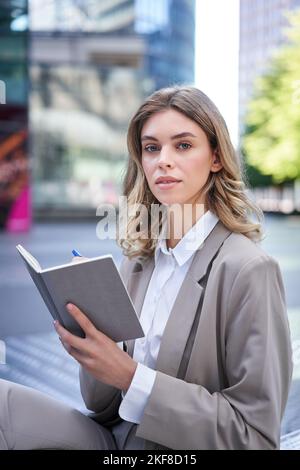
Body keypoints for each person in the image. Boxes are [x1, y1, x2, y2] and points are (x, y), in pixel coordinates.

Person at [0, 86, 293, 450]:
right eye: (151, 147)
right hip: (114, 439)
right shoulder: (139, 260)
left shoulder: (248, 270)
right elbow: (99, 404)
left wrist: (131, 377)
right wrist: (94, 347)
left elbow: (256, 438)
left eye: (183, 145)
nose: (162, 161)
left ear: (216, 157)